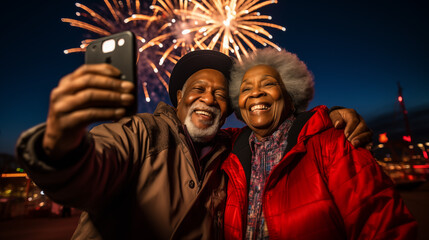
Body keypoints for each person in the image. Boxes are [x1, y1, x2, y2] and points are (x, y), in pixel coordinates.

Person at [16, 49, 370, 239]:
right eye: (198, 90)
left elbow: (282, 130)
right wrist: (61, 141)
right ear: (180, 97)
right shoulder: (142, 132)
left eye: (220, 94)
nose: (209, 99)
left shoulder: (233, 149)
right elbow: (94, 164)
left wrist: (332, 115)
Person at [221, 48, 417, 239]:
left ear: (291, 96)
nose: (255, 93)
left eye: (268, 84)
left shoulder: (335, 144)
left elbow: (385, 228)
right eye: (246, 88)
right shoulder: (227, 150)